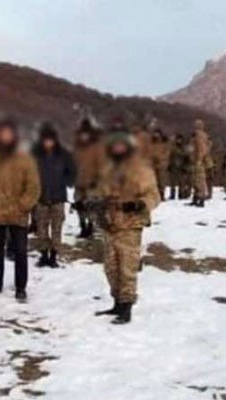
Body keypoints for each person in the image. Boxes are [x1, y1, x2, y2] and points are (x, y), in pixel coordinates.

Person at [93, 129, 161, 324]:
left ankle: (127, 307)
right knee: (111, 267)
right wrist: (94, 203)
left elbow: (154, 195)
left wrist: (140, 204)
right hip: (110, 224)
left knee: (127, 268)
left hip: (130, 224)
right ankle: (117, 302)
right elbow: (99, 192)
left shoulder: (141, 169)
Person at [0, 119, 40, 300]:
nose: (5, 137)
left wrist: (23, 206)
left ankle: (21, 287)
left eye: (8, 134)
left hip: (17, 214)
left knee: (20, 252)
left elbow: (33, 187)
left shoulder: (25, 159)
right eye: (2, 134)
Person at [32, 123, 76, 268]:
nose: (48, 143)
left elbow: (72, 172)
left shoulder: (64, 155)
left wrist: (66, 181)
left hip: (58, 197)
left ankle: (54, 256)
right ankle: (43, 255)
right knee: (41, 229)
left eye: (50, 140)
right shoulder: (36, 155)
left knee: (57, 229)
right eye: (45, 140)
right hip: (41, 197)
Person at [72, 119, 104, 239]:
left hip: (93, 182)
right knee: (79, 205)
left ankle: (91, 226)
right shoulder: (76, 148)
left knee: (91, 206)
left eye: (86, 134)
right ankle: (83, 226)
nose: (84, 136)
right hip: (78, 182)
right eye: (82, 134)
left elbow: (102, 164)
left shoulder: (97, 148)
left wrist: (98, 178)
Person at [189, 119, 210, 207]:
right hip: (196, 160)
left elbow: (201, 148)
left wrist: (199, 159)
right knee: (195, 180)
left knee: (199, 180)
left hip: (198, 161)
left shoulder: (199, 135)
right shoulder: (199, 135)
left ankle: (201, 198)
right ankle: (196, 197)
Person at [167, 134, 192, 200]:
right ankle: (172, 194)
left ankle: (181, 194)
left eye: (180, 139)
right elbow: (170, 157)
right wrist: (169, 165)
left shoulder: (184, 148)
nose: (179, 141)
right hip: (174, 167)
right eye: (177, 139)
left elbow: (187, 159)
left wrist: (185, 167)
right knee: (172, 182)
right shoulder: (173, 148)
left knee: (181, 182)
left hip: (181, 167)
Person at [151, 128, 171, 201]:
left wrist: (161, 158)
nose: (156, 135)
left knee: (162, 181)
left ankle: (162, 194)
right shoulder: (151, 143)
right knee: (154, 181)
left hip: (162, 164)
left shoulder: (164, 143)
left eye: (157, 134)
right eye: (155, 133)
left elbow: (167, 153)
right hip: (153, 164)